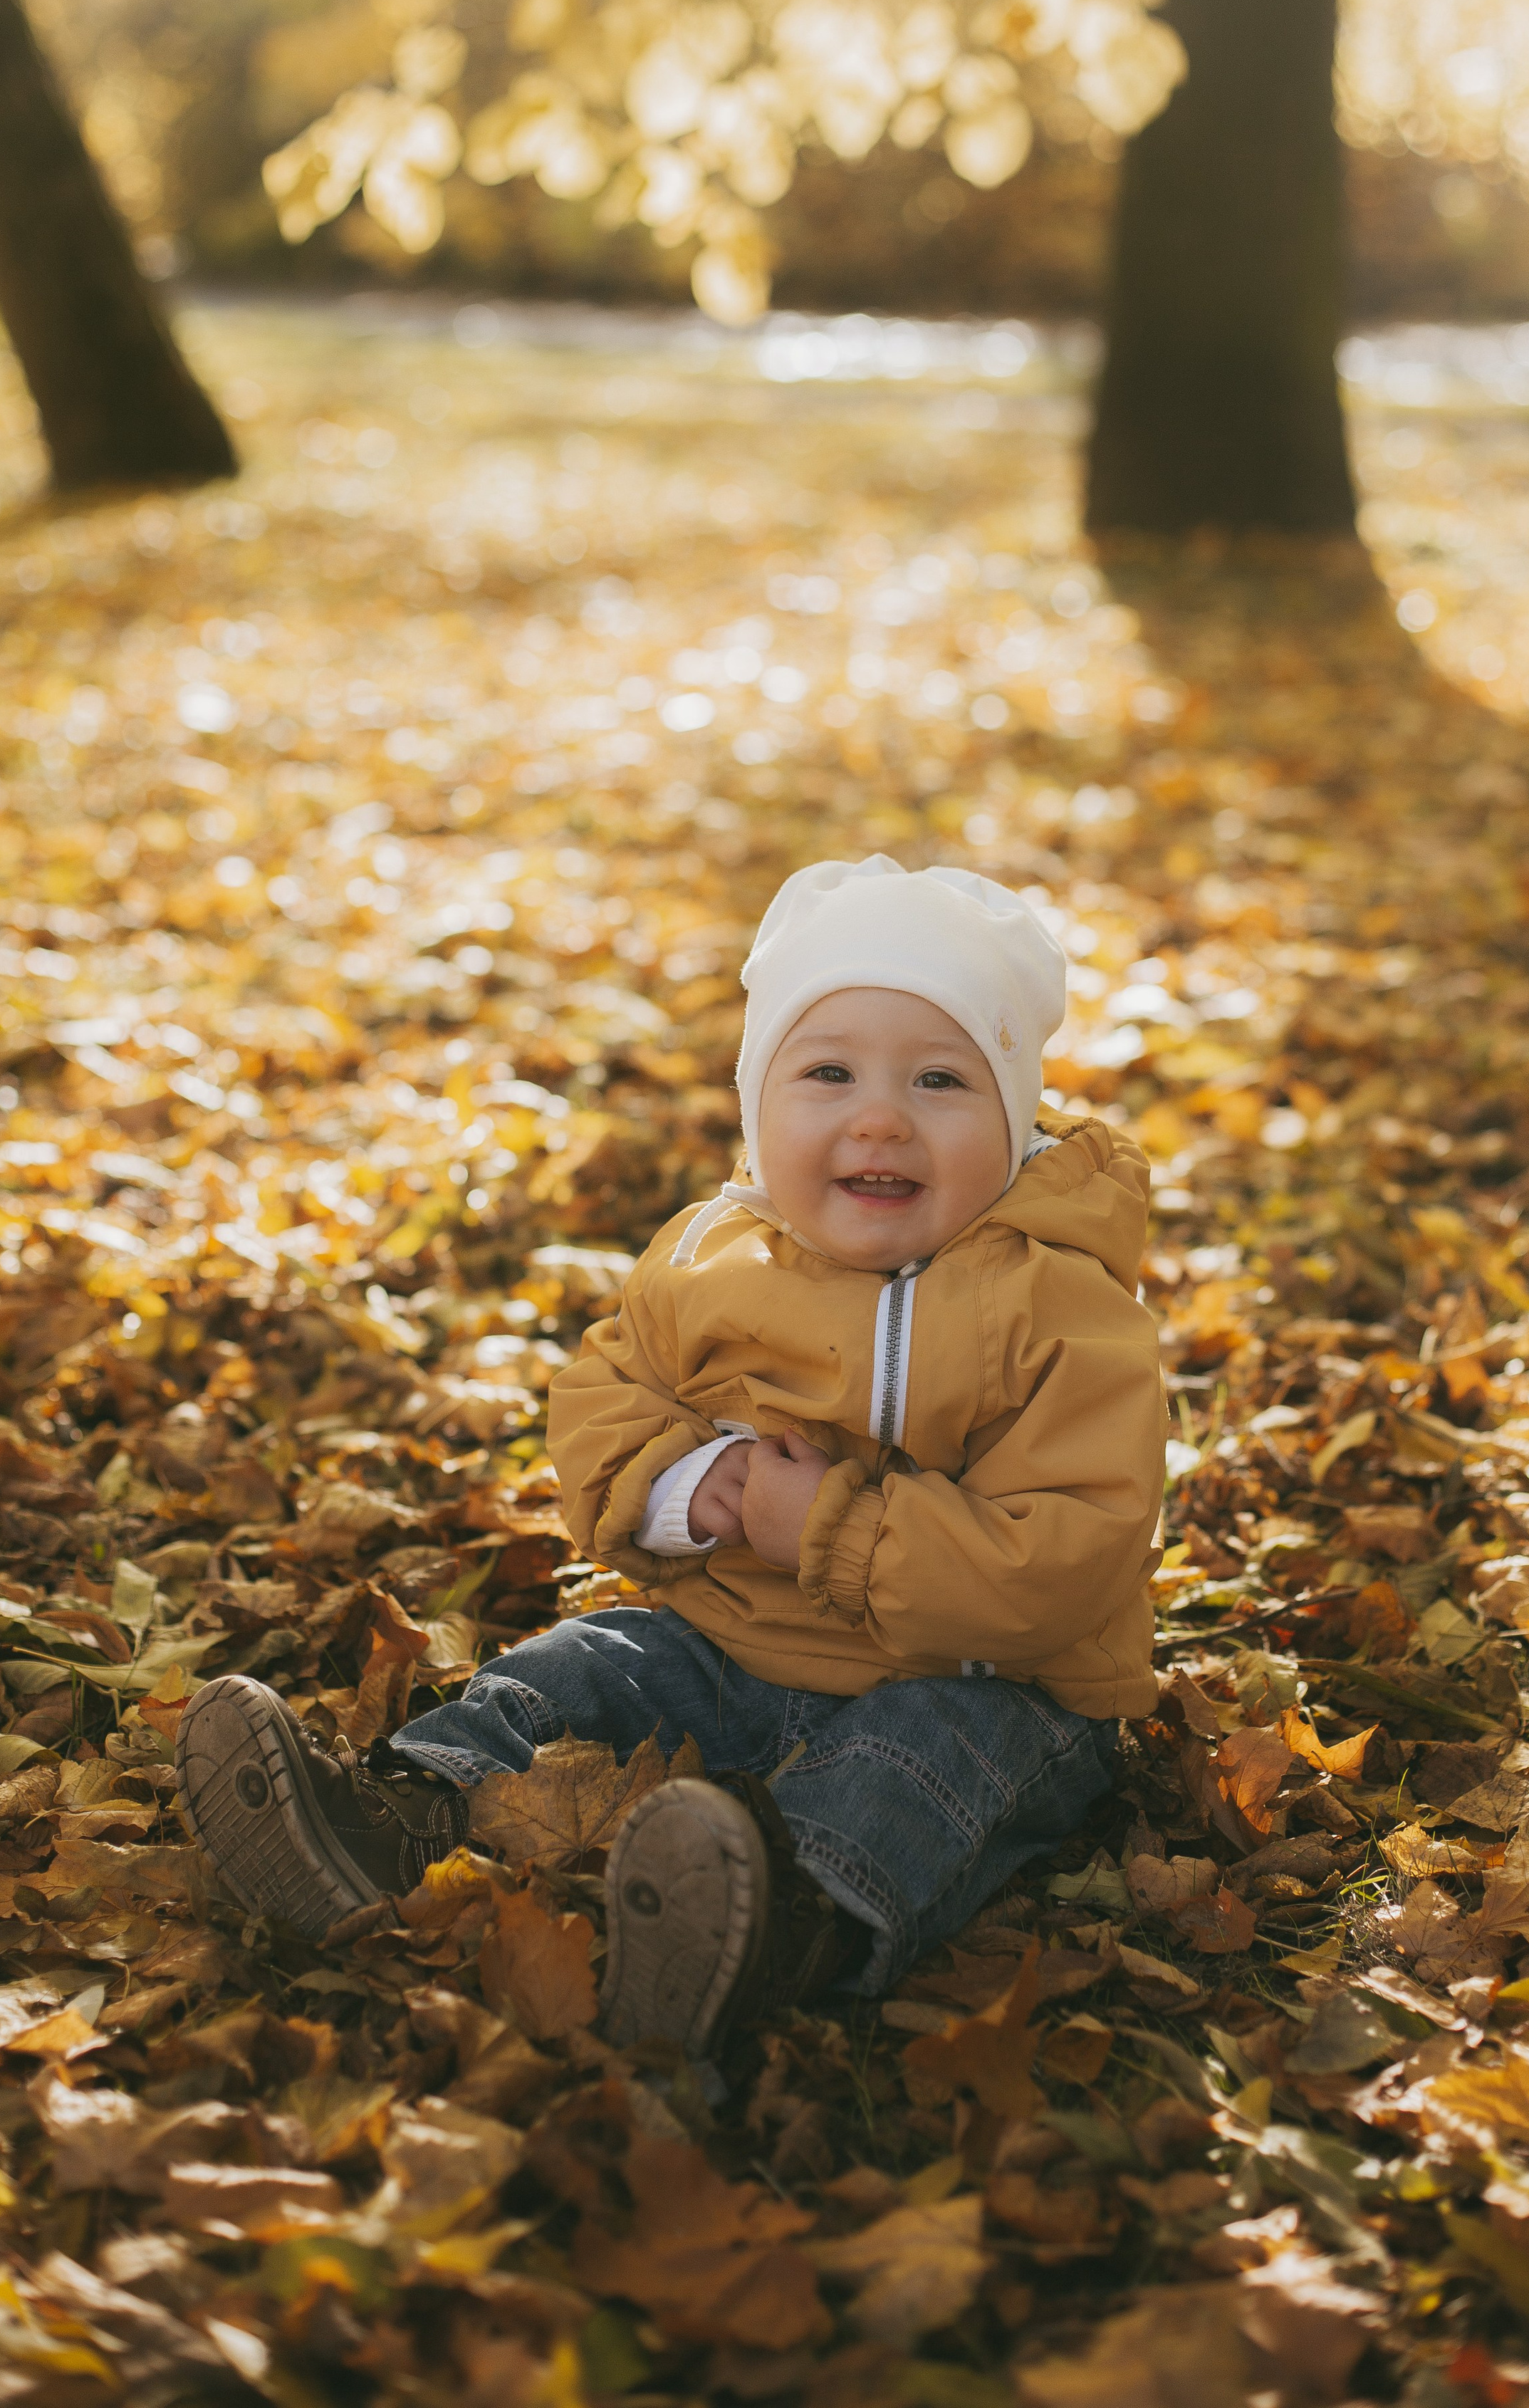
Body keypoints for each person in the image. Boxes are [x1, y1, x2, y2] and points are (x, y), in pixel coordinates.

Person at [177, 857, 1166, 2054]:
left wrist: (832, 1530)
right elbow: (603, 1401)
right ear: (760, 1108)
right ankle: (393, 1811)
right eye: (829, 1072)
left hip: (981, 1684)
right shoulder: (712, 1259)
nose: (882, 1116)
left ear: (1014, 1121)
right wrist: (697, 1489)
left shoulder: (1058, 1305)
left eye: (943, 1079)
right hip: (731, 1640)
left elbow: (1064, 1557)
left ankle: (775, 1923)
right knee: (587, 1666)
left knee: (916, 1777)